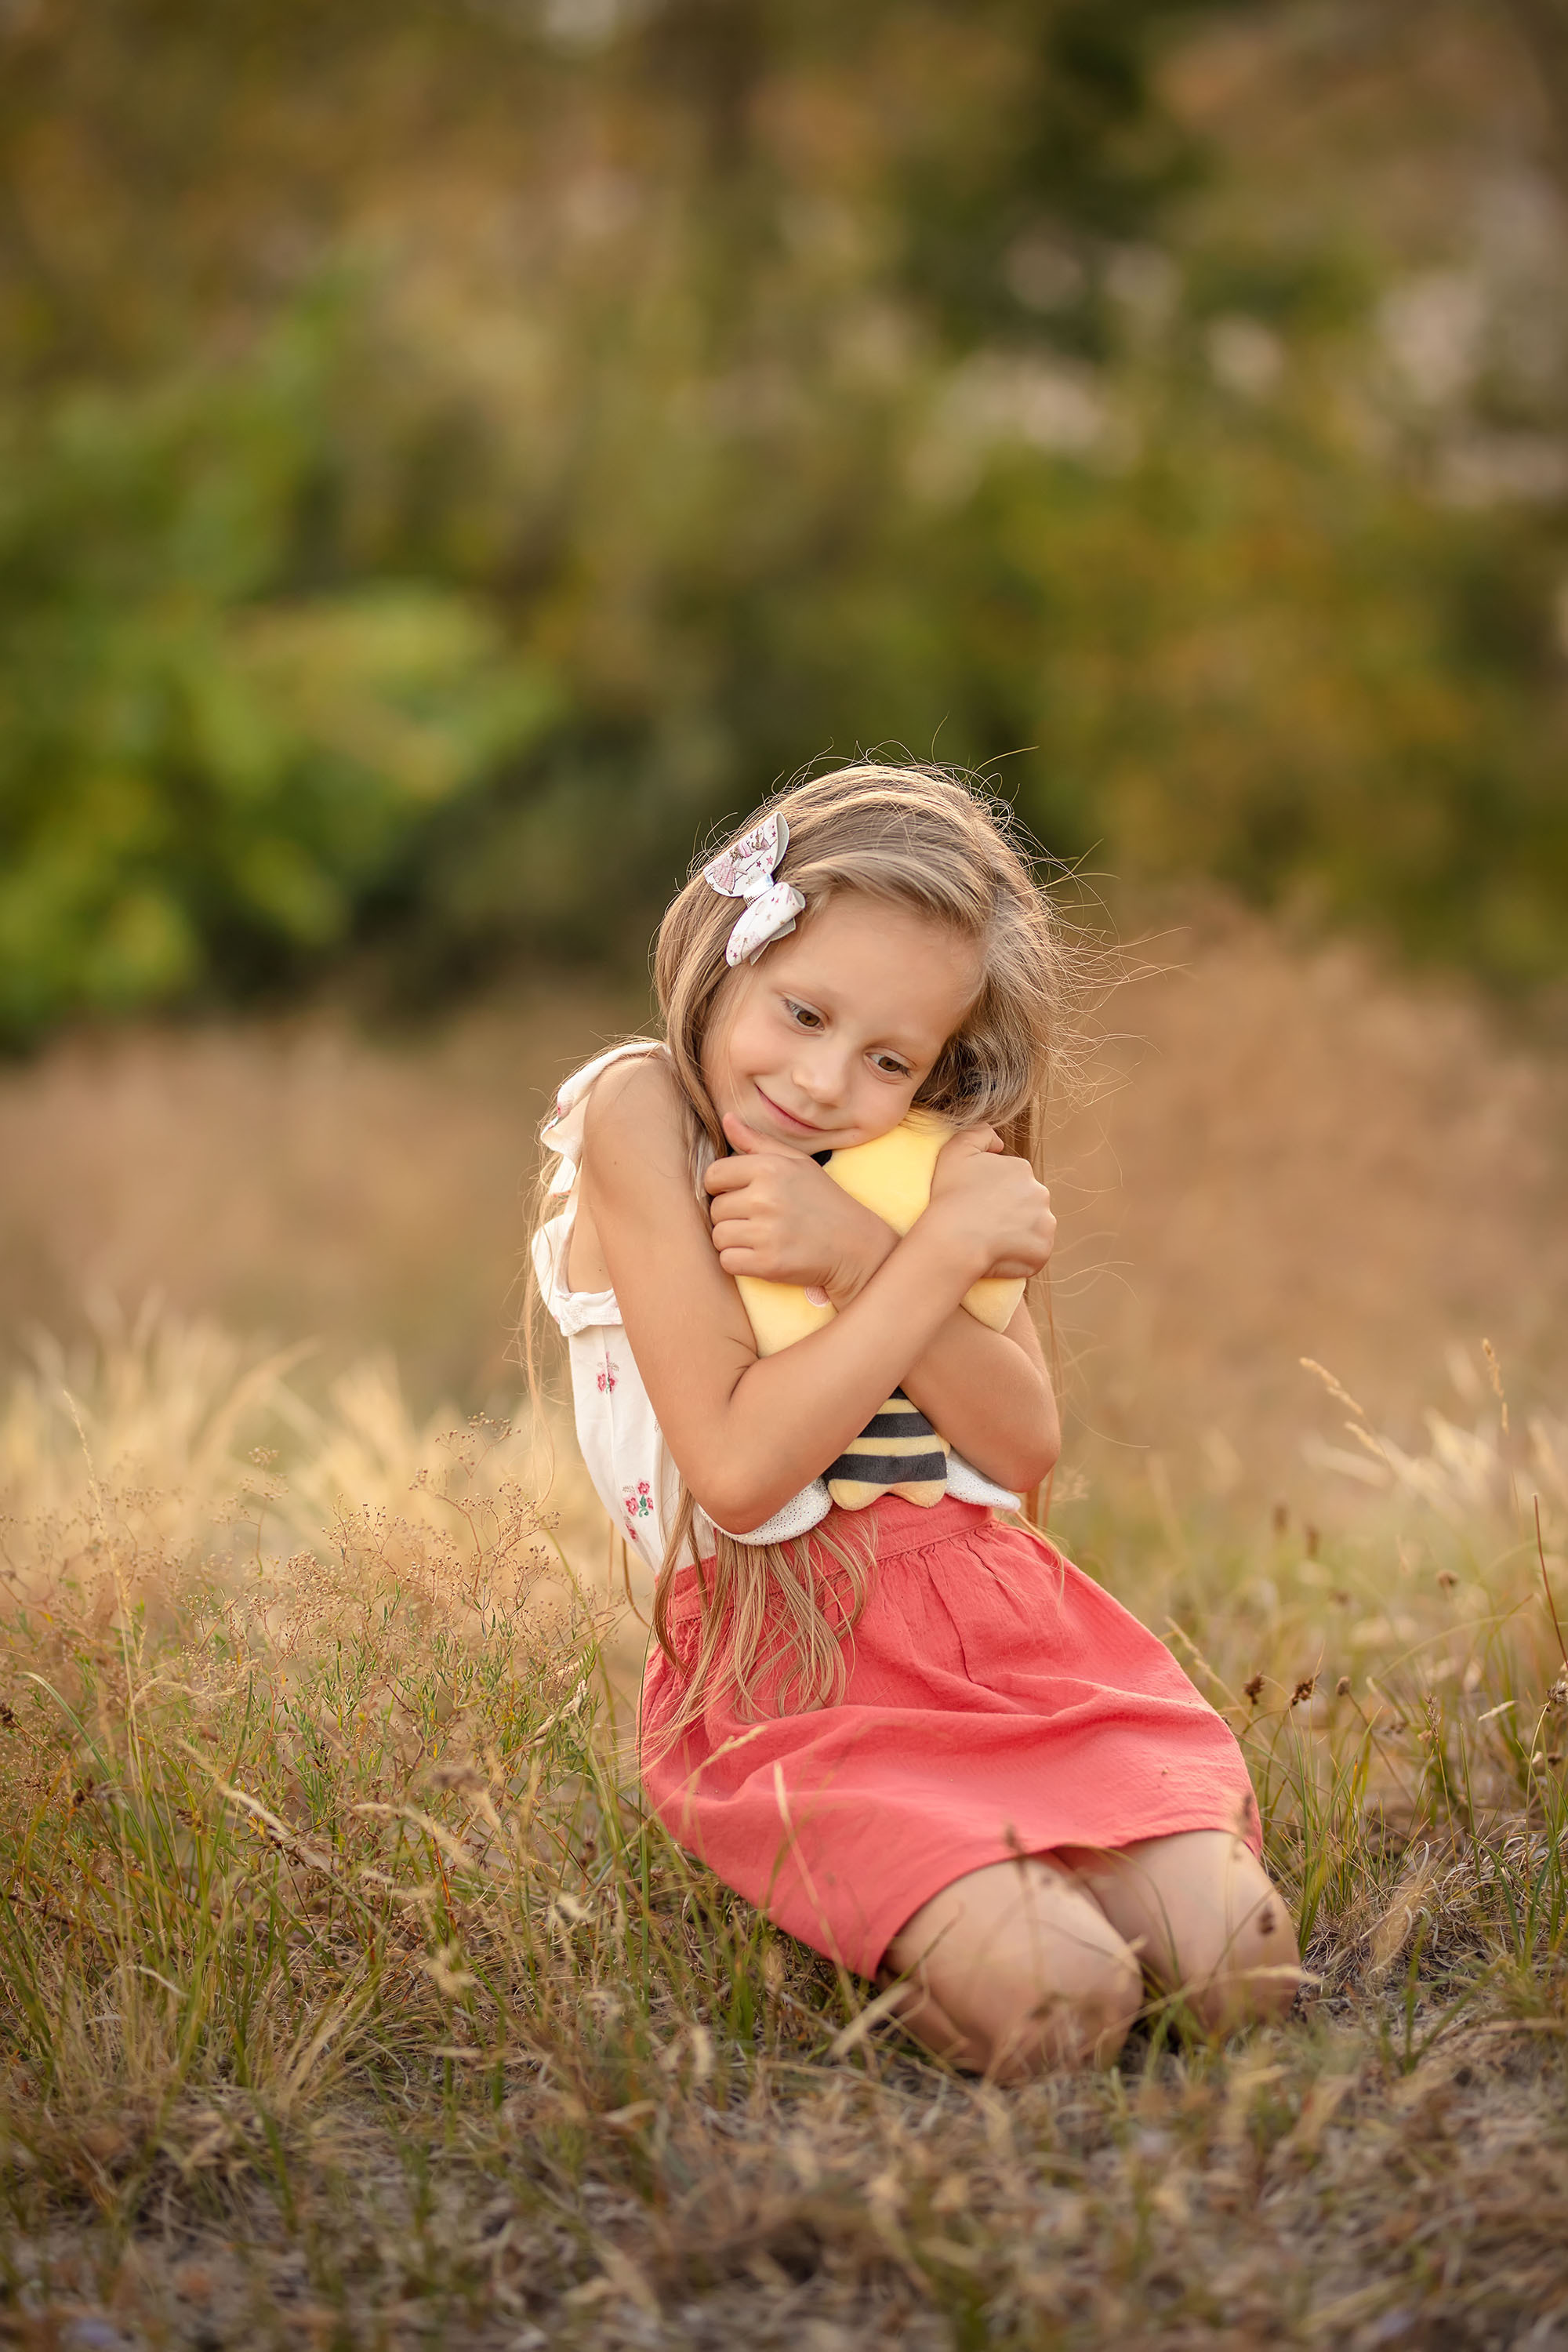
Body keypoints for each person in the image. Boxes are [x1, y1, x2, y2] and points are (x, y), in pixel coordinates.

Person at [532, 764, 1299, 2080]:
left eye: (890, 1056)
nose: (827, 1080)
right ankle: (918, 1928)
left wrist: (866, 1248)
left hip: (999, 1628)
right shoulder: (639, 1111)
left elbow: (1019, 1445)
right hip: (798, 1657)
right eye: (803, 1011)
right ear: (726, 956)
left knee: (1246, 1972)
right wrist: (911, 1260)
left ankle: (1026, 1901)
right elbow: (734, 1468)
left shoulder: (924, 1158)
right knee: (1064, 2010)